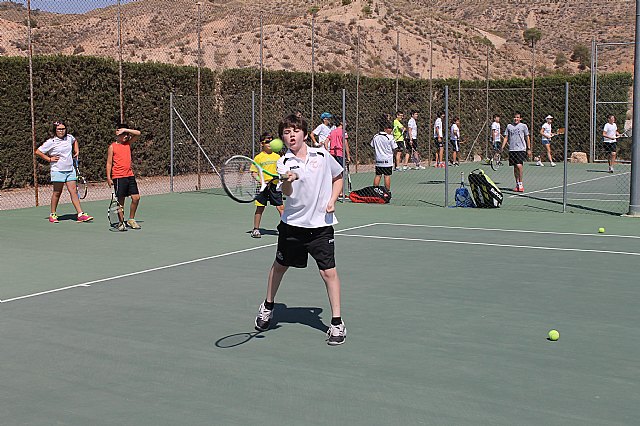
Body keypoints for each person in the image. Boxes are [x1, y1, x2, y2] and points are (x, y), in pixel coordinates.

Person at [254, 114, 347, 346]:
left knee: (328, 272)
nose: (291, 134)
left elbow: (338, 176)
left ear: (304, 134)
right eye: (286, 132)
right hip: (292, 226)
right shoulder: (282, 162)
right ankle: (268, 305)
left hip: (321, 226)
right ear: (283, 138)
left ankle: (337, 323)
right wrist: (288, 179)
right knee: (280, 267)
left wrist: (333, 200)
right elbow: (288, 192)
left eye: (295, 130)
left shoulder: (322, 155)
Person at [35, 121, 94, 223]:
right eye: (59, 129)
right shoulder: (51, 142)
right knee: (57, 193)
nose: (61, 131)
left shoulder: (69, 138)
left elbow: (75, 141)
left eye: (63, 129)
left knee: (74, 192)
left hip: (70, 170)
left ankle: (80, 214)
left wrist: (77, 151)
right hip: (58, 171)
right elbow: (38, 152)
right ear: (55, 130)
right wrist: (49, 159)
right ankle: (53, 214)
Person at [106, 123, 142, 231]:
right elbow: (109, 163)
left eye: (126, 134)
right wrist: (108, 178)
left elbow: (138, 133)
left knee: (136, 198)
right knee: (120, 201)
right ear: (117, 134)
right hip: (118, 177)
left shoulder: (128, 144)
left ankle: (131, 219)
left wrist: (126, 129)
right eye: (123, 134)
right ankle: (121, 222)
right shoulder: (112, 147)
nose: (126, 136)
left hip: (129, 175)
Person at [250, 132, 284, 238]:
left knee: (281, 208)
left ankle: (286, 228)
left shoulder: (277, 156)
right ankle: (256, 229)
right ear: (261, 144)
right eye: (267, 141)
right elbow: (253, 172)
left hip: (275, 186)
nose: (269, 143)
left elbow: (282, 170)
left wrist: (280, 176)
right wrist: (261, 181)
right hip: (262, 187)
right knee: (260, 208)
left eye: (271, 141)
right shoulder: (258, 158)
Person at [501, 112, 531, 192]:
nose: (516, 119)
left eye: (518, 117)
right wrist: (502, 147)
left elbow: (527, 137)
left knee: (519, 165)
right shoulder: (509, 126)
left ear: (520, 118)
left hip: (521, 149)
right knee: (515, 167)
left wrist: (529, 148)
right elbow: (506, 137)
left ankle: (521, 183)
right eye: (515, 117)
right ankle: (517, 184)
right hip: (512, 149)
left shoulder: (524, 126)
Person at [371, 119, 397, 191]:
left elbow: (372, 145)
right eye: (389, 128)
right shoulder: (390, 137)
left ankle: (375, 191)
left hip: (378, 160)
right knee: (387, 176)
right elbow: (395, 147)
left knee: (378, 175)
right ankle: (387, 192)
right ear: (385, 129)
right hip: (387, 161)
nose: (391, 129)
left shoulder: (375, 136)